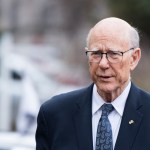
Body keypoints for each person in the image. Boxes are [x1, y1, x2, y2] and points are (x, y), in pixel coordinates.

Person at [35, 17, 150, 150]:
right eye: (96, 53)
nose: (103, 63)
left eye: (113, 54)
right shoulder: (54, 114)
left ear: (134, 58)